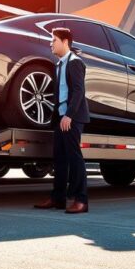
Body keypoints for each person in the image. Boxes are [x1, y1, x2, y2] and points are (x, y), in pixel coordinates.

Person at [34, 27, 90, 214]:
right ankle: (58, 198)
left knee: (75, 159)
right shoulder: (58, 65)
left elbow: (79, 91)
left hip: (72, 118)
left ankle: (81, 200)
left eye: (54, 40)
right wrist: (59, 116)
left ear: (65, 42)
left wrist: (69, 115)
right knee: (59, 159)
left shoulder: (75, 63)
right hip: (61, 117)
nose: (51, 43)